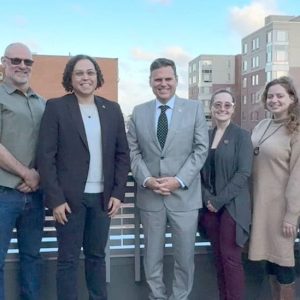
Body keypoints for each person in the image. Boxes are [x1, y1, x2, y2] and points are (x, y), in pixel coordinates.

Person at [37, 54, 130, 300]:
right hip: (68, 202)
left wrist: (118, 194)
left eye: (90, 72)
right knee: (67, 260)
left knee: (97, 257)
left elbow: (122, 154)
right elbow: (46, 157)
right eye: (79, 73)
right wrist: (55, 199)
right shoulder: (56, 107)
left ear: (97, 77)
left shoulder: (112, 109)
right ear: (70, 77)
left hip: (103, 200)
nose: (85, 77)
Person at [127, 58, 208, 300]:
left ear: (176, 80)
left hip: (184, 197)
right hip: (151, 197)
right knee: (152, 258)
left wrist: (179, 180)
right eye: (158, 79)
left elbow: (200, 149)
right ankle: (157, 297)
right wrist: (147, 180)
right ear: (151, 82)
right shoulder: (139, 112)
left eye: (168, 79)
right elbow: (133, 151)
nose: (163, 84)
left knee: (185, 258)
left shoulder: (194, 109)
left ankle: (180, 297)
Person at [0, 43, 45, 300]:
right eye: (16, 60)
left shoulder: (42, 102)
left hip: (35, 196)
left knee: (32, 259)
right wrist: (26, 173)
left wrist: (37, 174)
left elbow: (49, 146)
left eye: (28, 62)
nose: (22, 66)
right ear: (4, 62)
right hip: (4, 194)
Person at [248, 76, 300, 300]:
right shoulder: (262, 125)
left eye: (280, 95)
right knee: (269, 263)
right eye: (270, 96)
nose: (274, 100)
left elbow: (298, 176)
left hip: (281, 210)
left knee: (283, 265)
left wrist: (291, 215)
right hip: (260, 207)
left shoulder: (296, 131)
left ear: (291, 99)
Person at [199, 90, 253, 300]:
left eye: (227, 105)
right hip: (210, 209)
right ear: (211, 108)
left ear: (233, 107)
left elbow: (243, 173)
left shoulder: (241, 136)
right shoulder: (206, 136)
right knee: (219, 259)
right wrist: (207, 199)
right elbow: (198, 173)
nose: (222, 109)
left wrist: (219, 200)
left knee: (231, 259)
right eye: (217, 105)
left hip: (232, 207)